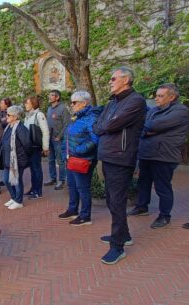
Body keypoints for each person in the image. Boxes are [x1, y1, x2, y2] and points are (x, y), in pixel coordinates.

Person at [93, 66, 147, 265]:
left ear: (126, 80)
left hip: (121, 157)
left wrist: (104, 125)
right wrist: (103, 125)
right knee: (111, 199)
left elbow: (108, 125)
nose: (110, 81)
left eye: (113, 78)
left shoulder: (136, 101)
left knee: (116, 201)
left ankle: (117, 247)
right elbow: (99, 124)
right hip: (108, 155)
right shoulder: (113, 102)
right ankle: (124, 235)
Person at [129, 83, 189, 229]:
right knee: (143, 182)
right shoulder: (154, 110)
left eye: (160, 96)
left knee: (162, 187)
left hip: (164, 155)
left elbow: (153, 126)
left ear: (172, 97)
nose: (156, 98)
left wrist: (151, 129)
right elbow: (143, 127)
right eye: (156, 95)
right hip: (147, 153)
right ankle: (142, 206)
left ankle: (164, 215)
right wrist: (149, 130)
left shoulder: (180, 111)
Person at [59, 91, 101, 226]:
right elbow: (69, 136)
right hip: (71, 158)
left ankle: (85, 216)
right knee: (72, 185)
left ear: (84, 103)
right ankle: (72, 210)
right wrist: (65, 152)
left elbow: (96, 139)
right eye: (71, 102)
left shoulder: (91, 117)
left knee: (83, 188)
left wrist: (78, 151)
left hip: (82, 159)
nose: (72, 105)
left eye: (74, 102)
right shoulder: (77, 117)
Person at [1, 105, 31, 210]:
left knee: (16, 181)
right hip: (7, 159)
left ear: (15, 116)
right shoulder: (9, 127)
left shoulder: (20, 128)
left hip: (17, 160)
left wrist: (21, 157)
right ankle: (14, 198)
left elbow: (27, 144)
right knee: (6, 180)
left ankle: (19, 201)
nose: (6, 116)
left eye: (8, 114)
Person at [23, 96, 49, 200]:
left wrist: (45, 147)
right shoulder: (27, 116)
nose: (25, 104)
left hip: (36, 147)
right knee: (33, 170)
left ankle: (38, 192)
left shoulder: (39, 115)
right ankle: (33, 189)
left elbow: (45, 131)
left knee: (37, 169)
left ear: (33, 104)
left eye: (27, 103)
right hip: (29, 147)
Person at [45, 89, 70, 190]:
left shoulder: (63, 109)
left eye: (52, 95)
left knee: (60, 161)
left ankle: (62, 180)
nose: (49, 97)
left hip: (58, 140)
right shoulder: (49, 109)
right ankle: (53, 178)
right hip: (49, 139)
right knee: (50, 160)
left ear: (57, 97)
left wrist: (59, 136)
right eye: (49, 95)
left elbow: (67, 124)